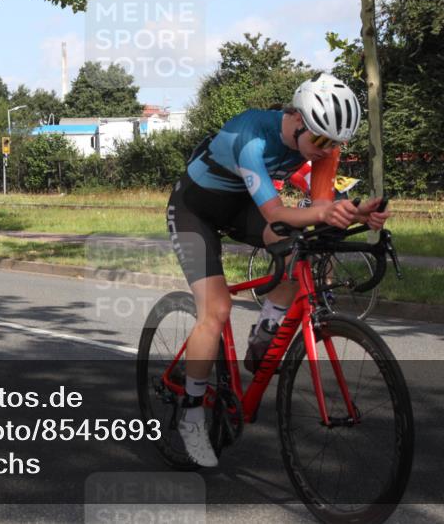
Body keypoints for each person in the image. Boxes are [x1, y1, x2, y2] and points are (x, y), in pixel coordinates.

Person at [165, 72, 390, 467]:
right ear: (298, 119)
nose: (326, 150)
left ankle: (267, 327)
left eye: (335, 144)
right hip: (194, 211)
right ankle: (192, 412)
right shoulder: (251, 137)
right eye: (321, 141)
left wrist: (354, 213)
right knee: (216, 310)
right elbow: (275, 213)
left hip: (241, 208)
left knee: (303, 248)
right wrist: (325, 212)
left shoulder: (322, 144)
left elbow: (320, 209)